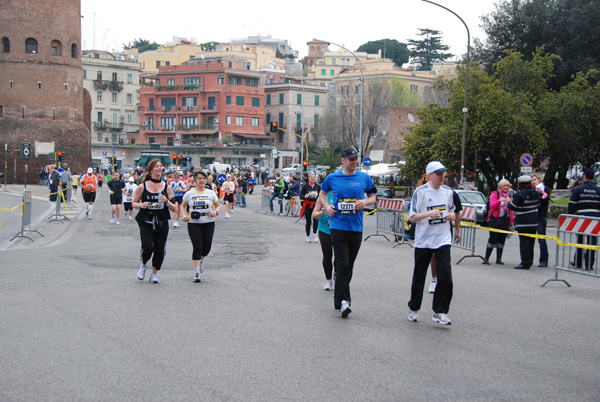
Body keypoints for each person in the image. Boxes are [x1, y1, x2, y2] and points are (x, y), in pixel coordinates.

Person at [318, 147, 376, 317]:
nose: (355, 162)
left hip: (356, 228)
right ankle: (343, 302)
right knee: (342, 263)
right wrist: (327, 206)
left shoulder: (364, 177)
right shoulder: (333, 178)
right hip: (337, 227)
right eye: (351, 159)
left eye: (356, 159)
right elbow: (322, 193)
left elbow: (373, 197)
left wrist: (364, 202)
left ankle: (341, 295)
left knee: (348, 266)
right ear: (343, 160)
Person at [407, 161, 456, 326]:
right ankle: (413, 309)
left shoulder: (449, 191)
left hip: (443, 239)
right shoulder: (420, 192)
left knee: (446, 277)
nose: (442, 176)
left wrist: (451, 215)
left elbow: (452, 209)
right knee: (419, 276)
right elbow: (412, 217)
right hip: (424, 240)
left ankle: (440, 311)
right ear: (429, 176)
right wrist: (428, 213)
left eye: (443, 173)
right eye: (438, 173)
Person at [132, 159, 178, 284]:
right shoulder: (143, 186)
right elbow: (134, 203)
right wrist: (142, 205)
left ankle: (154, 273)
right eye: (157, 166)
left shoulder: (167, 187)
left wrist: (167, 201)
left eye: (160, 166)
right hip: (146, 220)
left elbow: (175, 208)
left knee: (159, 248)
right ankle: (143, 265)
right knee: (148, 247)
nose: (159, 168)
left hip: (161, 221)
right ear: (151, 169)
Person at [182, 171, 221, 282]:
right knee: (197, 247)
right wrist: (184, 215)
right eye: (199, 178)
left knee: (206, 248)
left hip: (208, 222)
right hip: (194, 223)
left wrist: (216, 212)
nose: (202, 180)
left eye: (203, 178)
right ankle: (197, 271)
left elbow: (218, 206)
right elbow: (182, 205)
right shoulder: (189, 194)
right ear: (195, 180)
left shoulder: (211, 193)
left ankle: (200, 260)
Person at [428, 173, 462, 293]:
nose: (444, 178)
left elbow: (457, 213)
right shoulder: (427, 191)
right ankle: (434, 279)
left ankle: (443, 283)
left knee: (443, 258)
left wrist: (457, 231)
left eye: (446, 176)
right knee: (433, 256)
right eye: (442, 175)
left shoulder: (451, 193)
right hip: (431, 230)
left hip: (445, 232)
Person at [568, 168, 600, 269]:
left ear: (584, 177)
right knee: (592, 242)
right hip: (595, 218)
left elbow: (572, 205)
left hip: (581, 218)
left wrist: (570, 217)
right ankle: (589, 264)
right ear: (594, 177)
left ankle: (578, 262)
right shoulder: (598, 190)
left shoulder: (578, 189)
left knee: (580, 241)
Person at [508, 175, 541, 270]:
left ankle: (525, 262)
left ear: (520, 184)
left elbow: (512, 206)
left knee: (524, 243)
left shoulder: (520, 195)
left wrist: (508, 202)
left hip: (523, 222)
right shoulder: (535, 193)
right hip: (534, 221)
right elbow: (538, 204)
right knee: (531, 242)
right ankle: (530, 261)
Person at [483, 179, 515, 265]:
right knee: (492, 239)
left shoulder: (509, 196)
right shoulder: (495, 194)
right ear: (500, 186)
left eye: (508, 186)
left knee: (502, 240)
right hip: (494, 220)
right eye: (505, 186)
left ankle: (499, 258)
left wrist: (512, 220)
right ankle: (486, 257)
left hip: (505, 220)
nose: (506, 187)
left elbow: (511, 210)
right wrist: (500, 201)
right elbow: (492, 206)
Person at [313, 178, 334, 291]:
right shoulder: (323, 196)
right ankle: (328, 280)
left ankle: (336, 275)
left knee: (340, 256)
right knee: (327, 256)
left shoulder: (341, 194)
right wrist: (321, 212)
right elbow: (314, 214)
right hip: (324, 229)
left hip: (338, 230)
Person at [531, 174, 550, 267]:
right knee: (530, 239)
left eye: (535, 179)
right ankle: (529, 259)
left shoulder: (545, 190)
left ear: (539, 180)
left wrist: (540, 193)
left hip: (540, 216)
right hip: (531, 217)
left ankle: (544, 260)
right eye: (532, 180)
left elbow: (544, 202)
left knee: (541, 239)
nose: (533, 181)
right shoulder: (530, 191)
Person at [300, 173, 321, 243]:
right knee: (308, 221)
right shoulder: (305, 187)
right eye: (311, 177)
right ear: (308, 178)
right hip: (308, 206)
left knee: (316, 221)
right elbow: (301, 196)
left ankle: (314, 235)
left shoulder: (318, 187)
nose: (312, 179)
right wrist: (304, 196)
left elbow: (321, 195)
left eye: (313, 177)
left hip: (316, 206)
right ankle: (308, 236)